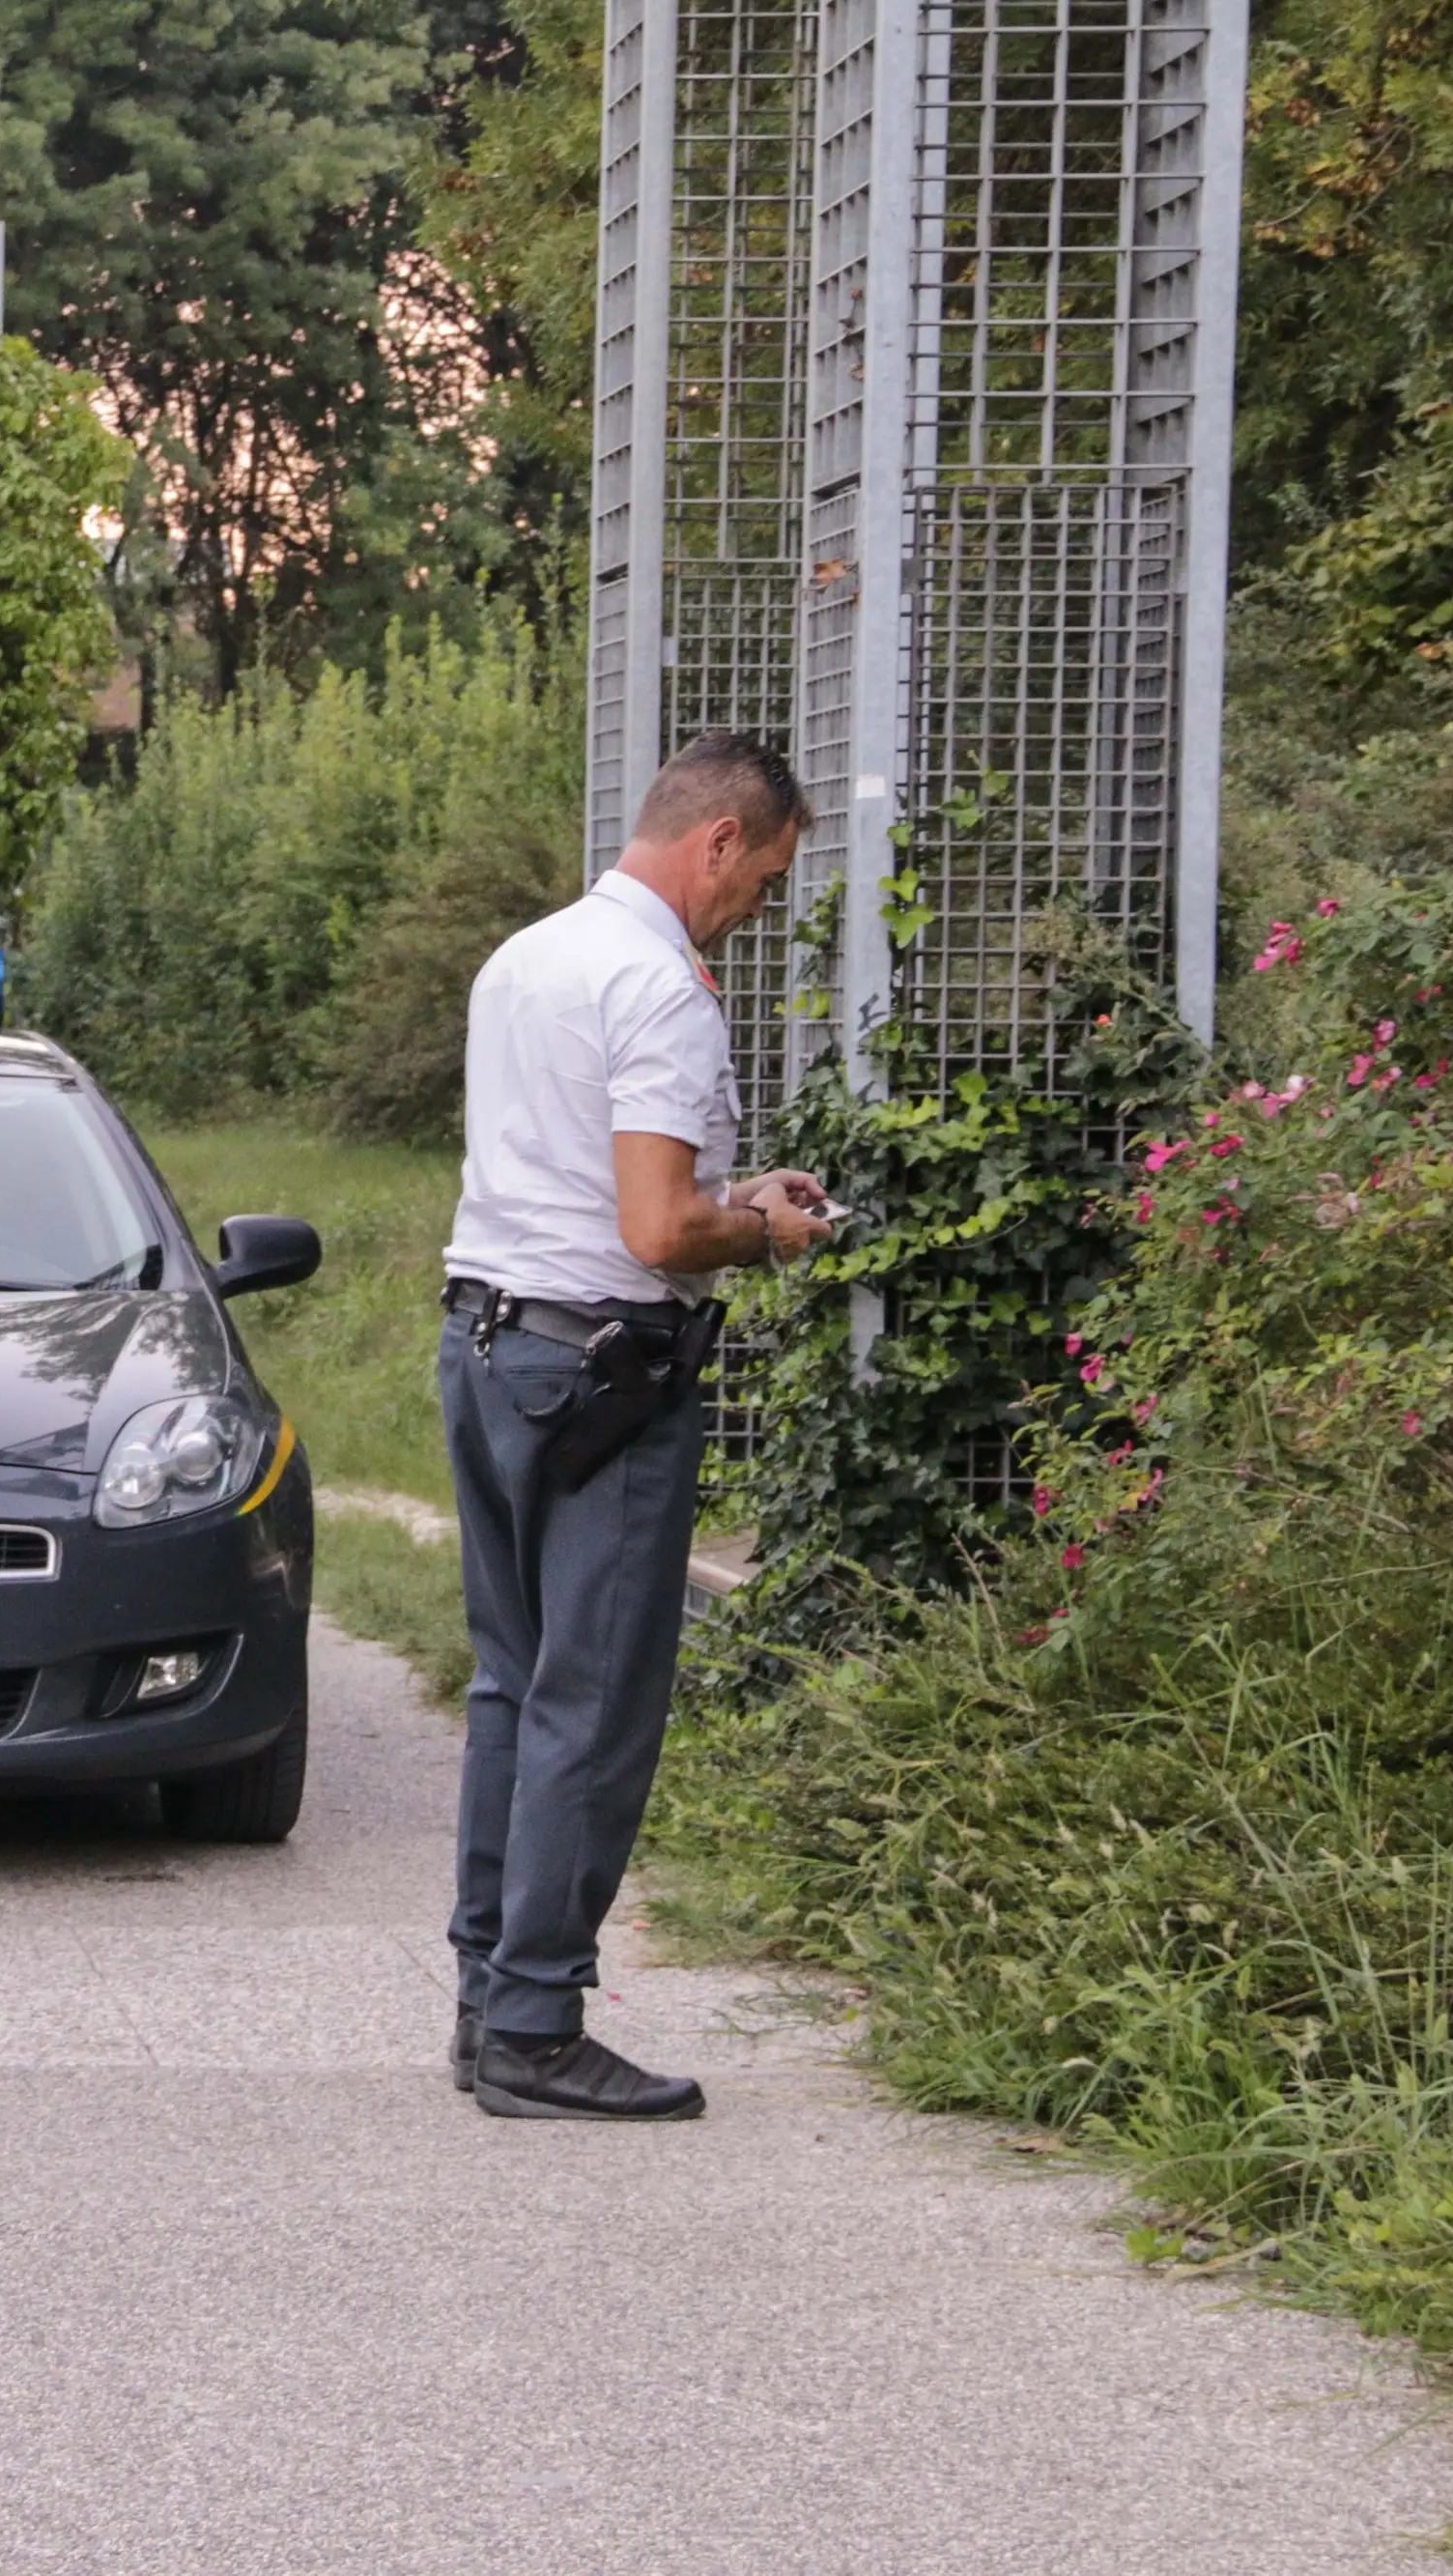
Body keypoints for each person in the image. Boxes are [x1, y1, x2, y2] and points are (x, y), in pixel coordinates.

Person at [436, 729, 836, 2123]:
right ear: (720, 839)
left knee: (513, 1682)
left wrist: (735, 1187)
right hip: (605, 1374)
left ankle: (490, 1993)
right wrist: (768, 1229)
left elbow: (571, 1169)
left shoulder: (525, 957)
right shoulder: (662, 985)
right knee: (592, 1703)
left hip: (488, 1343)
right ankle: (539, 2029)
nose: (758, 909)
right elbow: (659, 1224)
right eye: (766, 880)